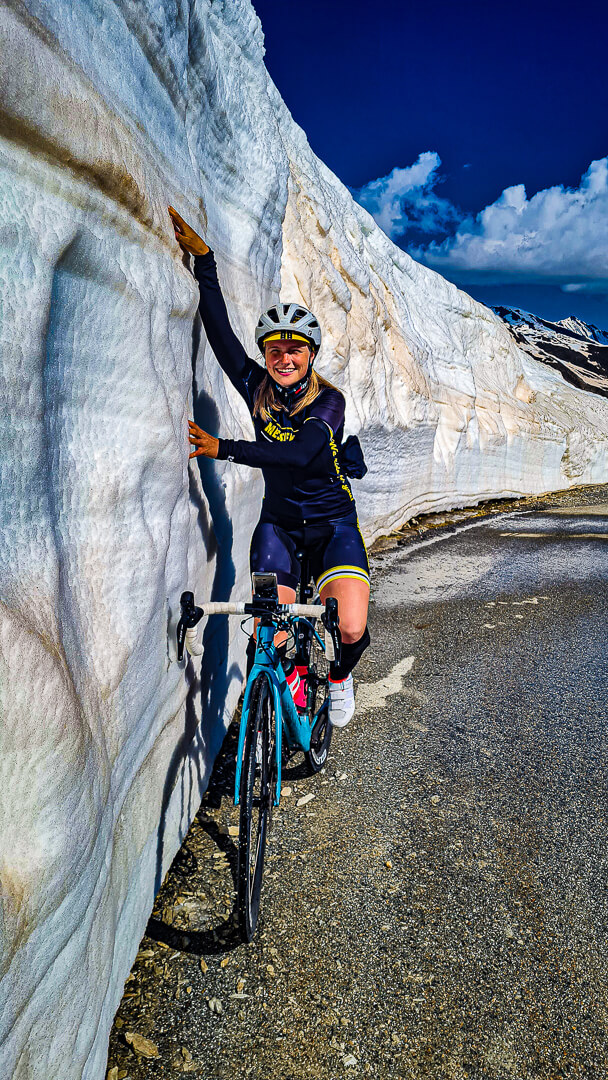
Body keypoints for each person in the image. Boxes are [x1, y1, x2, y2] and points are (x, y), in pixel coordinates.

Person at [168, 206, 370, 728]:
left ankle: (340, 678)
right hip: (278, 526)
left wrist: (222, 448)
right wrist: (206, 262)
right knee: (270, 631)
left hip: (332, 527)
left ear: (311, 356)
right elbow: (222, 340)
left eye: (295, 350)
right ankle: (283, 694)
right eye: (275, 349)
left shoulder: (330, 402)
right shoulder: (258, 387)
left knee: (349, 627)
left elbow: (299, 454)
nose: (284, 358)